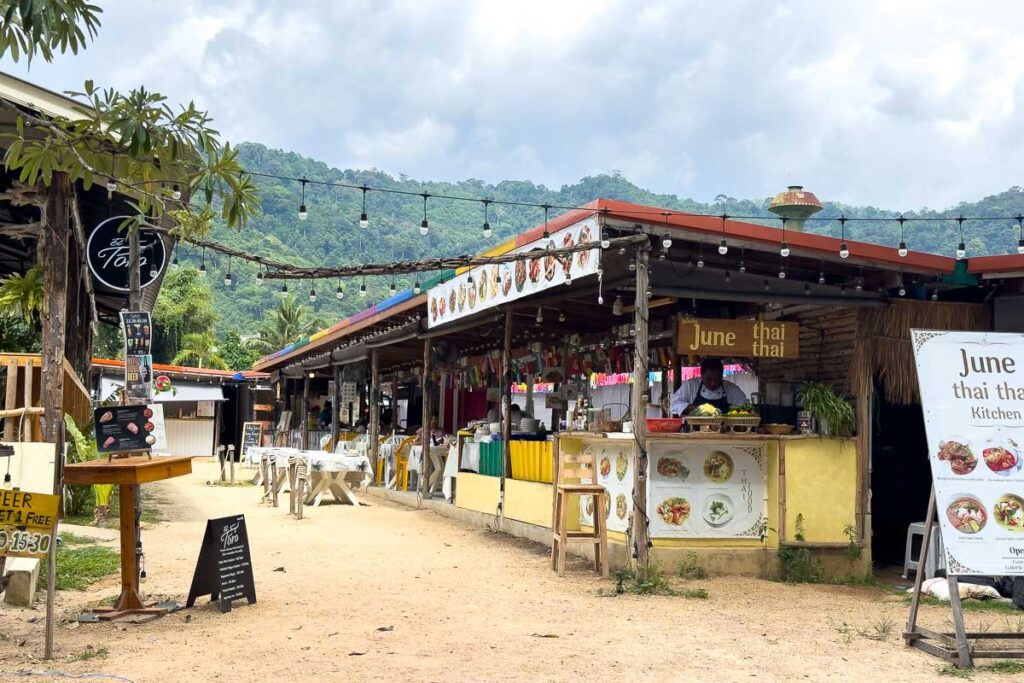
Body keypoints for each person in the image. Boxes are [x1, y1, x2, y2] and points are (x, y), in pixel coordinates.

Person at [670, 358, 747, 416]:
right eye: (709, 379)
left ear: (722, 375)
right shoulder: (690, 385)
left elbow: (746, 408)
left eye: (717, 379)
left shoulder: (732, 390)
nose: (713, 383)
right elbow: (674, 404)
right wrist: (697, 409)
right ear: (701, 375)